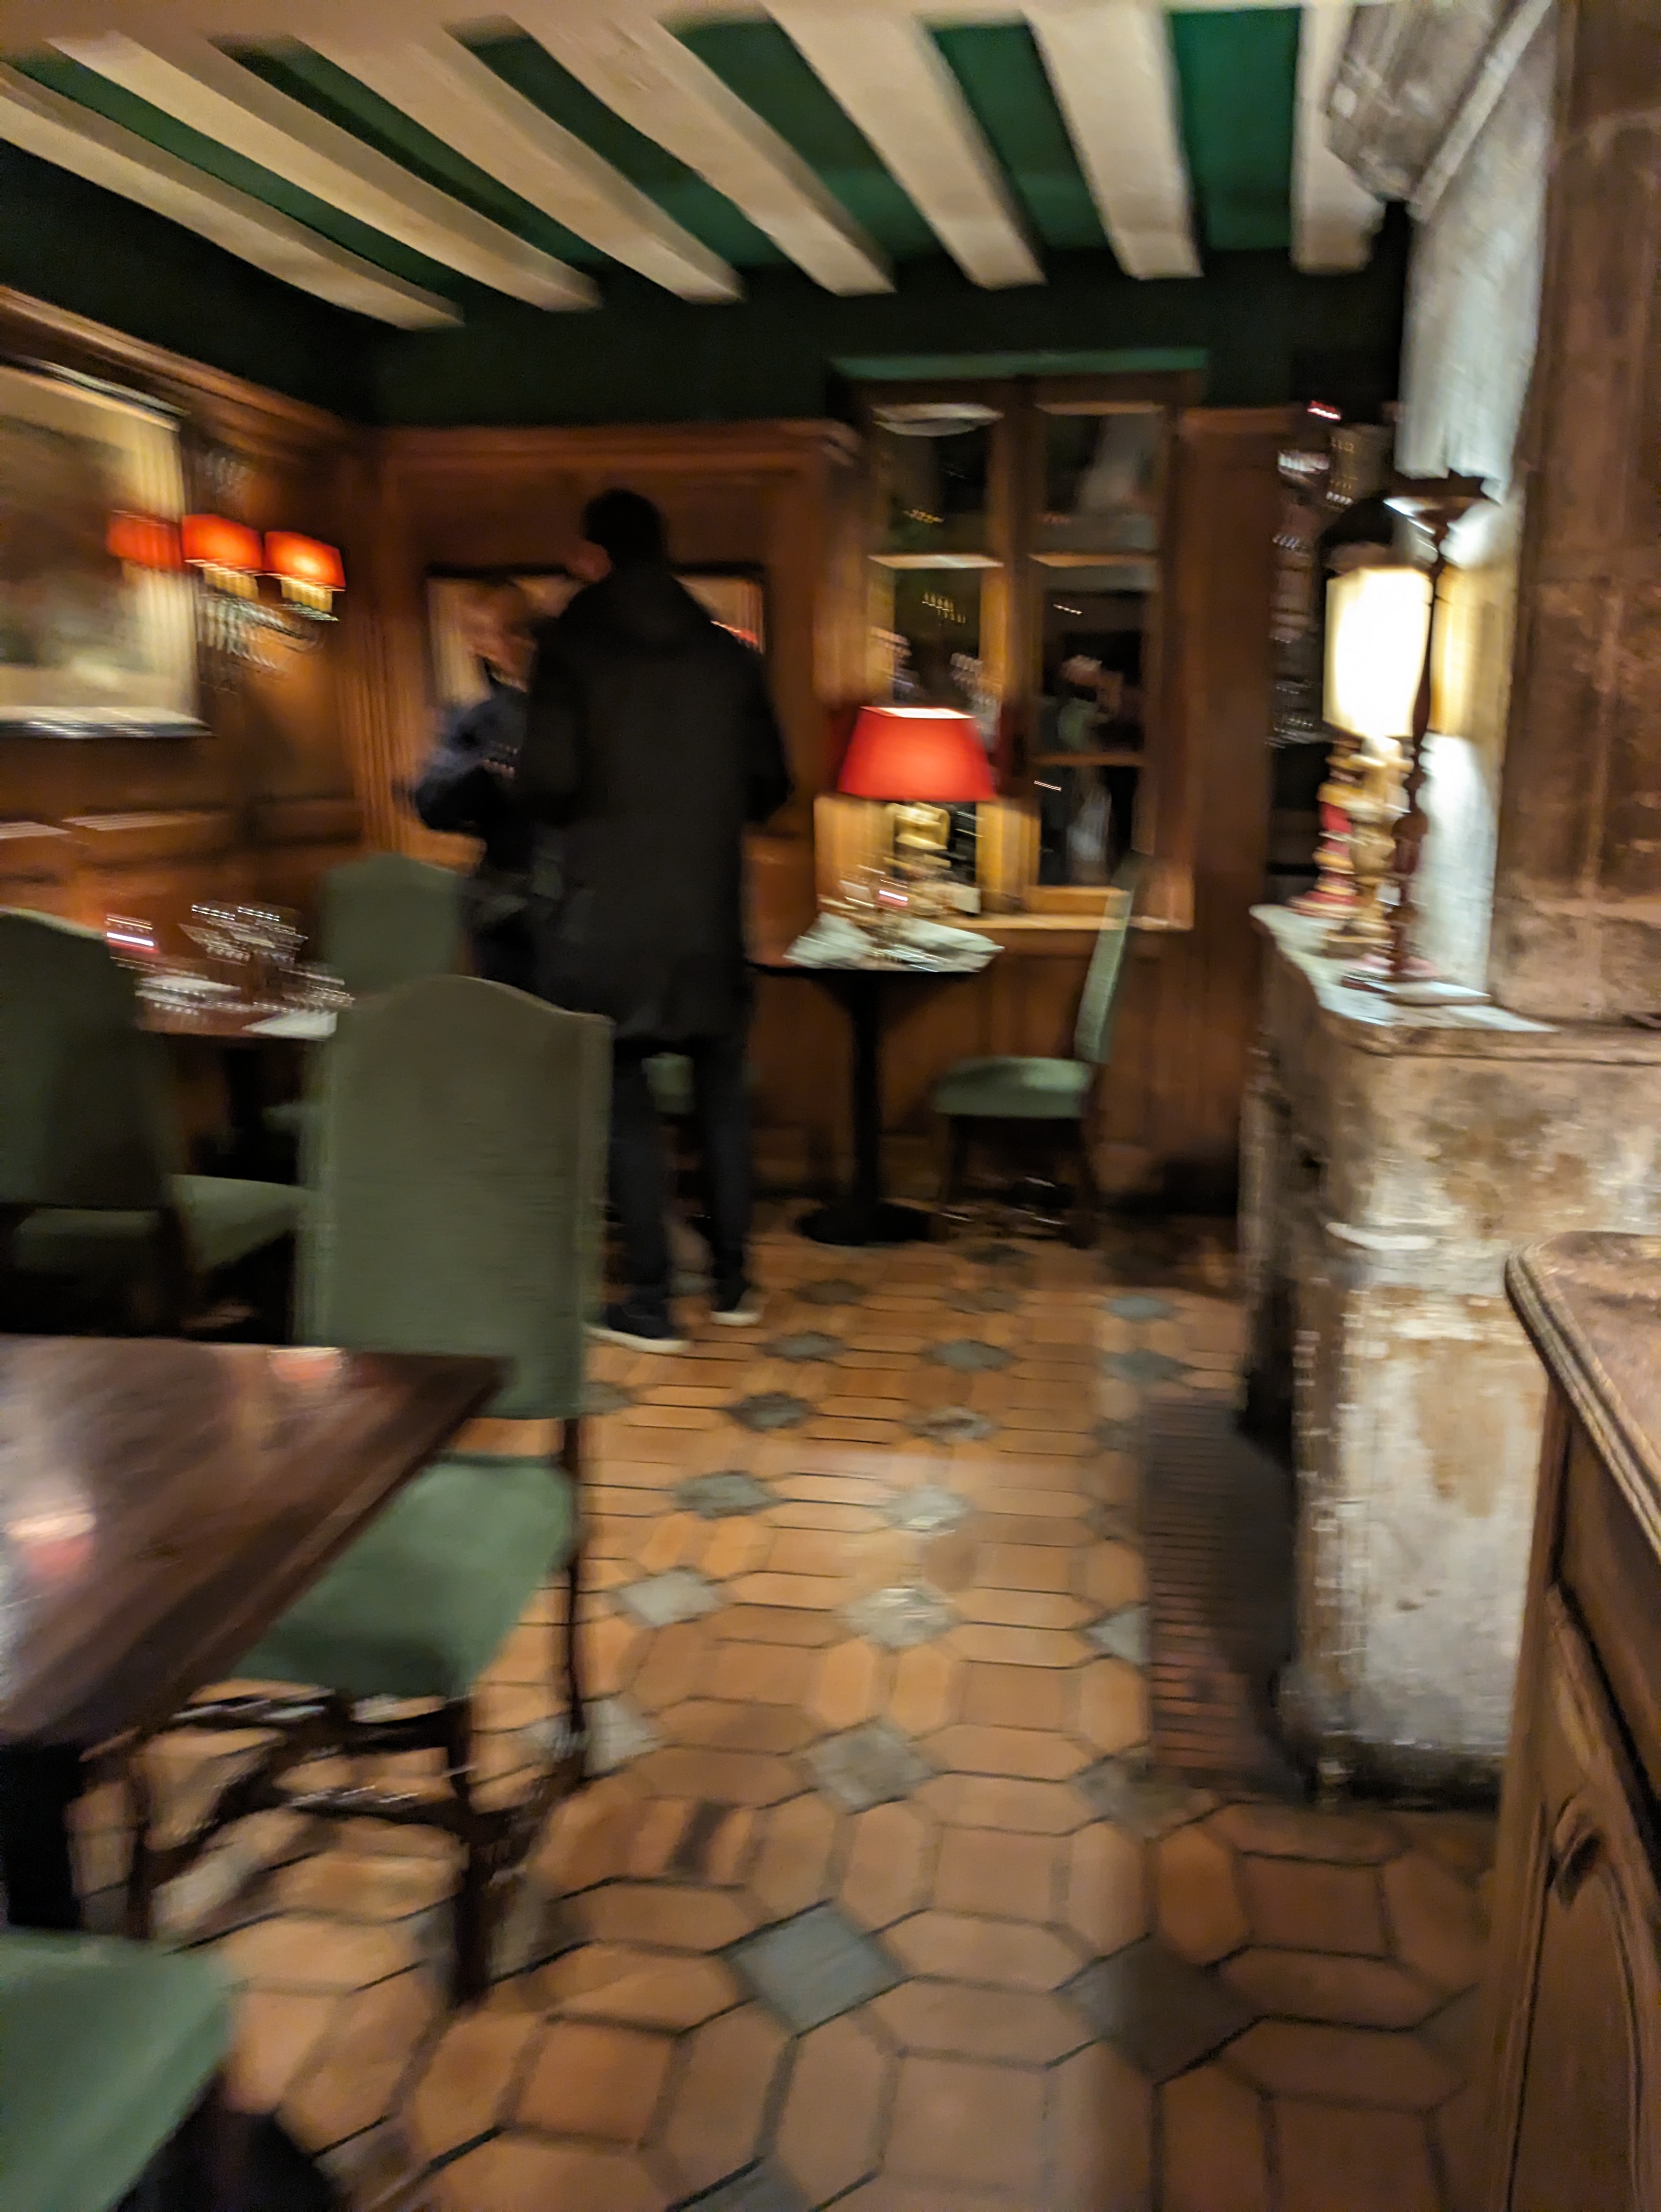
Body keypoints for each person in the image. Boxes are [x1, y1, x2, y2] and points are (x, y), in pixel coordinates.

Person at [517, 489, 792, 1351]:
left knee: (625, 1100)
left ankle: (650, 1301)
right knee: (720, 1096)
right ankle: (735, 1283)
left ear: (592, 556)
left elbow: (547, 781)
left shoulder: (572, 648)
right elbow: (771, 784)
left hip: (610, 918)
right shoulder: (728, 656)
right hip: (710, 910)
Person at [410, 579, 541, 990]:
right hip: (507, 911)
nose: (512, 643)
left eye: (520, 629)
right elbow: (430, 803)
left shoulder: (582, 710)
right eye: (492, 633)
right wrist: (484, 769)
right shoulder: (475, 721)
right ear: (478, 643)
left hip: (582, 913)